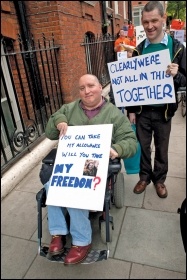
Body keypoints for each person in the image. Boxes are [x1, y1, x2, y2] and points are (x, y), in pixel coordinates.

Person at [44, 74, 138, 265]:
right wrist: (59, 121)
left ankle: (81, 241)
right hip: (71, 161)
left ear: (100, 87)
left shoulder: (113, 114)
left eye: (90, 86)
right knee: (50, 184)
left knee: (79, 187)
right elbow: (50, 130)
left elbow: (131, 141)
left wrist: (116, 149)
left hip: (93, 164)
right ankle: (58, 232)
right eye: (81, 88)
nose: (86, 91)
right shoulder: (69, 109)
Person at [127, 1, 186, 198]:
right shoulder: (138, 50)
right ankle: (144, 177)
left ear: (163, 18)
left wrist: (177, 75)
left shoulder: (177, 48)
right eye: (145, 22)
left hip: (164, 111)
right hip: (143, 111)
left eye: (154, 20)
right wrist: (131, 109)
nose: (149, 26)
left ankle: (159, 180)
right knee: (143, 147)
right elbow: (131, 84)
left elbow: (185, 80)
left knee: (162, 148)